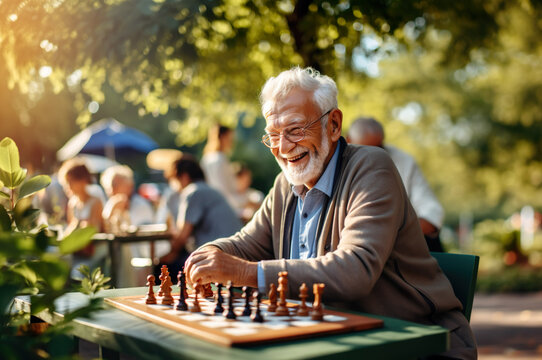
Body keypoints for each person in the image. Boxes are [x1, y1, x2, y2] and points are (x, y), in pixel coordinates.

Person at [185, 67, 476, 359]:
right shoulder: (285, 185)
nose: (283, 148)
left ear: (333, 125)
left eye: (295, 129)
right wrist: (209, 255)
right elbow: (245, 244)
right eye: (273, 135)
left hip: (418, 343)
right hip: (337, 340)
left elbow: (355, 269)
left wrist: (243, 272)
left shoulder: (372, 167)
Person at [347, 117, 445, 252]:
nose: (371, 155)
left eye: (378, 147)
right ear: (348, 140)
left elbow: (432, 214)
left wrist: (395, 233)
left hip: (403, 248)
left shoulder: (404, 162)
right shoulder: (337, 166)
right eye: (364, 149)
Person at [157, 153, 242, 278]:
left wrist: (163, 258)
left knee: (162, 268)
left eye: (174, 181)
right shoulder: (209, 190)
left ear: (184, 177)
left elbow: (182, 237)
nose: (174, 187)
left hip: (218, 255)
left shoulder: (193, 192)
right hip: (234, 251)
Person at [100, 165, 155, 286]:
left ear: (129, 186)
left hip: (137, 260)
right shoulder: (112, 203)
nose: (111, 190)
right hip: (115, 258)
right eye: (109, 186)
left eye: (115, 185)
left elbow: (137, 235)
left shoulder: (140, 205)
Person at [58, 158, 105, 279]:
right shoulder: (72, 203)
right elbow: (71, 229)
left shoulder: (95, 201)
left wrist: (77, 226)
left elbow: (93, 230)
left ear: (83, 180)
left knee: (76, 273)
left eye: (71, 181)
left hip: (96, 248)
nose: (68, 186)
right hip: (79, 249)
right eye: (66, 182)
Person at [200, 124, 244, 216]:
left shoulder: (207, 158)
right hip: (222, 211)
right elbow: (223, 191)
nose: (232, 142)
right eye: (230, 138)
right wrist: (245, 202)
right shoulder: (220, 160)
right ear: (223, 137)